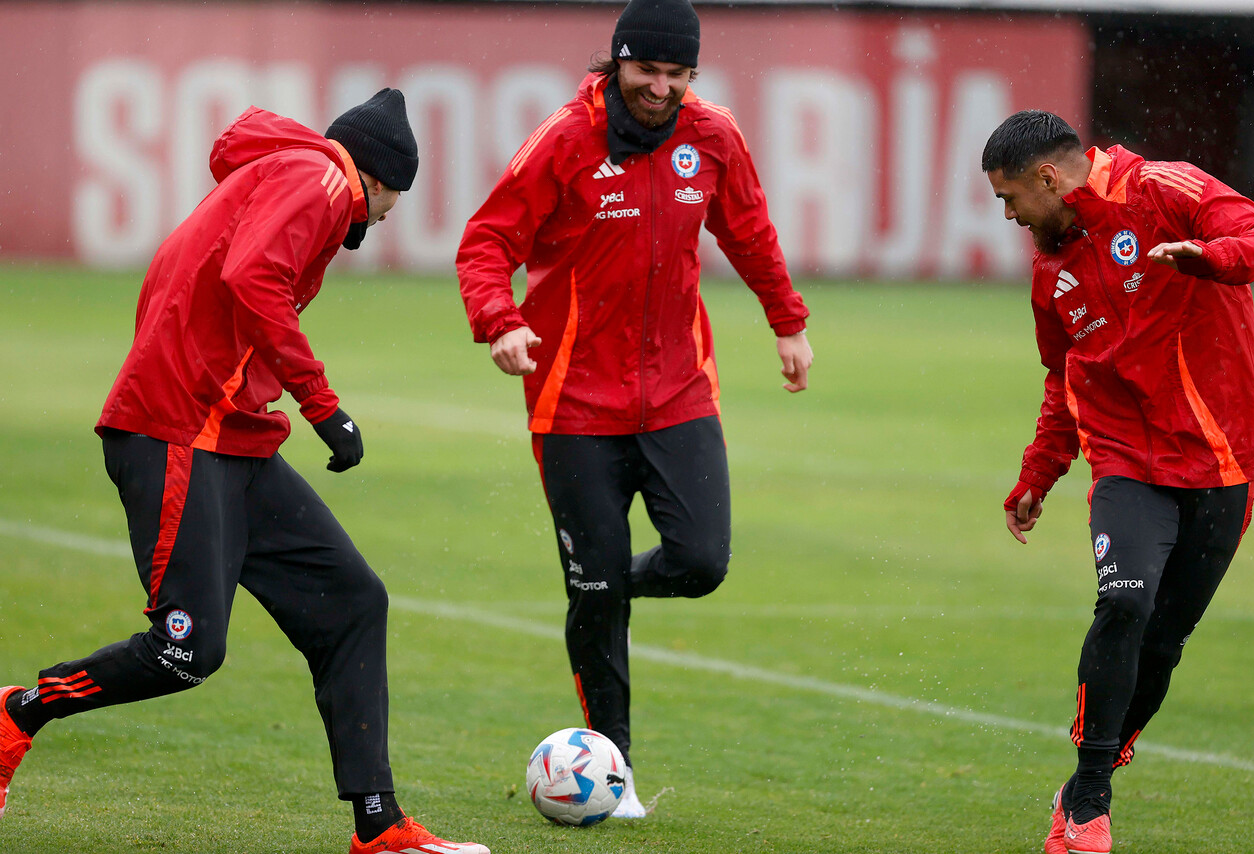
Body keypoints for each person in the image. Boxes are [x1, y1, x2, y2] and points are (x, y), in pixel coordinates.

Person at [0, 89, 490, 854]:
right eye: (396, 195)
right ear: (381, 180)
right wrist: (324, 406)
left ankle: (379, 825)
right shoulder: (325, 179)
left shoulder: (288, 172)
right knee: (184, 652)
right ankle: (17, 713)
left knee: (352, 601)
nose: (391, 214)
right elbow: (252, 275)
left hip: (230, 439)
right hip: (177, 433)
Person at [457, 0, 812, 820]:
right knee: (597, 594)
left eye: (675, 74)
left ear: (693, 75)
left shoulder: (713, 135)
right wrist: (499, 321)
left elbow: (749, 229)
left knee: (700, 561)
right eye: (645, 71)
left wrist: (787, 321)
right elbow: (486, 242)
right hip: (573, 404)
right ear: (616, 63)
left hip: (680, 390)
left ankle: (606, 585)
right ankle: (611, 776)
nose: (659, 87)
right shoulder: (564, 140)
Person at [983, 110, 1254, 854]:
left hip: (1221, 462)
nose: (1012, 216)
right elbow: (1063, 376)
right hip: (1127, 462)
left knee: (1166, 640)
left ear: (1048, 178)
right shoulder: (1051, 269)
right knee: (1124, 602)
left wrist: (1208, 258)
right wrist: (1039, 472)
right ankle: (1088, 796)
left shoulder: (1165, 189)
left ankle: (1100, 759)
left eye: (1010, 199)